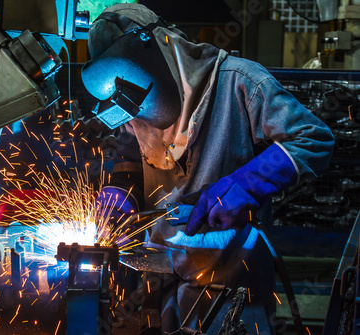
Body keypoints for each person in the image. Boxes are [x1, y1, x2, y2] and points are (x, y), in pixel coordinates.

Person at [82, 4, 335, 334]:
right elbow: (131, 157)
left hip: (231, 280)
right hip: (160, 273)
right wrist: (120, 194)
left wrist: (244, 186)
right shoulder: (130, 99)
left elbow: (314, 138)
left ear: (160, 49)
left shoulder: (240, 82)